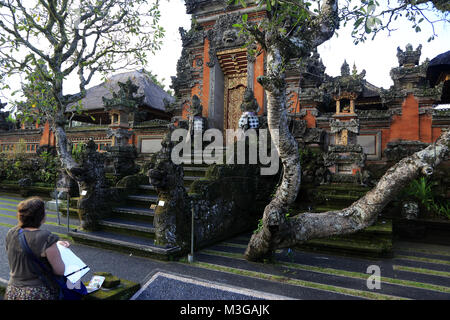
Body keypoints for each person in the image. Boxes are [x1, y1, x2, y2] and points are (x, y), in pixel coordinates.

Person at [4, 197, 70, 300]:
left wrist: (55, 244)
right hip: (36, 293)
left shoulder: (11, 233)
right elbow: (60, 271)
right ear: (41, 216)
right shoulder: (47, 238)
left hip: (13, 291)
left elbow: (23, 252)